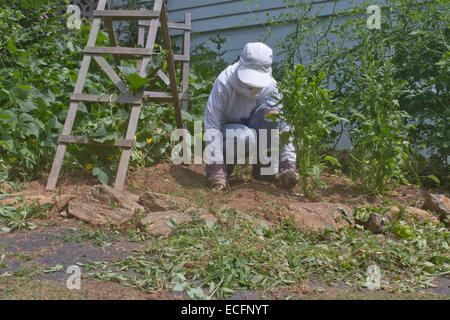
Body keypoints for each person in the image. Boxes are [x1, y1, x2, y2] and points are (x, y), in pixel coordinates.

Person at [204, 42, 297, 191]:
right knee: (245, 136)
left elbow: (285, 127)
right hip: (229, 134)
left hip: (254, 128)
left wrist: (288, 164)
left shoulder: (271, 87)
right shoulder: (224, 82)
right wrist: (216, 168)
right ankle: (224, 170)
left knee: (273, 114)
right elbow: (211, 123)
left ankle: (264, 171)